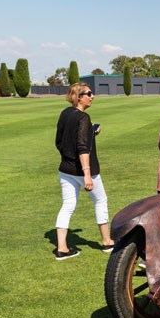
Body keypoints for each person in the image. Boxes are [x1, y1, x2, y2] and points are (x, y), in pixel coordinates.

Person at [54, 83, 114, 260]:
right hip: (82, 170)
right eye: (88, 93)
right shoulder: (83, 118)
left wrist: (91, 132)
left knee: (68, 205)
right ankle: (107, 241)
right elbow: (82, 147)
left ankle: (62, 248)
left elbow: (61, 141)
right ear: (79, 97)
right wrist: (87, 174)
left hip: (65, 169)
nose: (92, 96)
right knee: (101, 200)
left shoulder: (66, 113)